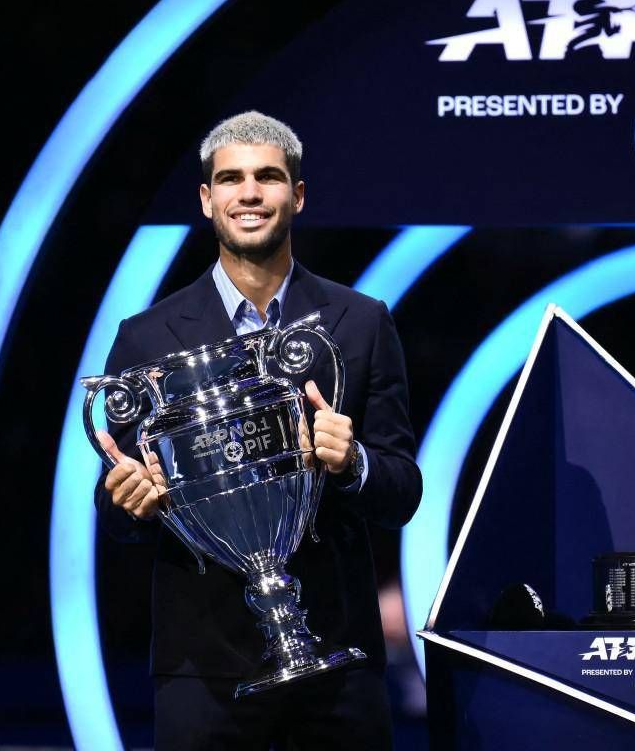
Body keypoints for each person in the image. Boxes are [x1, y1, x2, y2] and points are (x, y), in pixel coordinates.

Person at [93, 110, 422, 750]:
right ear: (207, 199)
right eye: (232, 179)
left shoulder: (360, 322)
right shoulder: (147, 336)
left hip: (338, 654)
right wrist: (128, 500)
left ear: (296, 195)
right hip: (203, 667)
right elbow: (113, 515)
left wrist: (351, 462)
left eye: (267, 177)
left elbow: (402, 490)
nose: (249, 193)